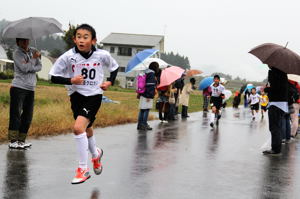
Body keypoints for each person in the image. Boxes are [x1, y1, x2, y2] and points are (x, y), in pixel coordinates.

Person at [49, 24, 119, 184]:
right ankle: (96, 154)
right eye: (78, 36)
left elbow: (114, 68)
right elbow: (53, 76)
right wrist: (70, 80)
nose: (81, 40)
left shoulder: (102, 55)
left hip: (94, 95)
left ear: (93, 40)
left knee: (78, 128)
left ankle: (83, 169)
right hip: (76, 95)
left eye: (85, 37)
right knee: (86, 129)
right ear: (74, 39)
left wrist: (109, 82)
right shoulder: (68, 56)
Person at [8, 38, 42, 149]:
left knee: (28, 116)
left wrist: (31, 63)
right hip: (19, 87)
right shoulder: (17, 53)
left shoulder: (33, 50)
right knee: (16, 114)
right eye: (22, 41)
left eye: (26, 40)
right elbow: (24, 68)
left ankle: (21, 141)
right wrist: (33, 59)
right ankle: (13, 141)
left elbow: (39, 67)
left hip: (31, 88)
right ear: (18, 42)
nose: (25, 42)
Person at [263, 67, 288, 156]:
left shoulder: (275, 73)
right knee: (277, 126)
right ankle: (276, 148)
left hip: (276, 103)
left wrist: (266, 89)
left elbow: (276, 88)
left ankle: (275, 149)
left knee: (274, 127)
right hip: (281, 103)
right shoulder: (283, 73)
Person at [137, 62, 159, 130]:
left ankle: (140, 124)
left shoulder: (145, 72)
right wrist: (150, 96)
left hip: (142, 93)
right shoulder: (151, 74)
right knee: (146, 109)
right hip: (148, 94)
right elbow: (150, 85)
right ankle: (144, 124)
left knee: (142, 109)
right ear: (155, 67)